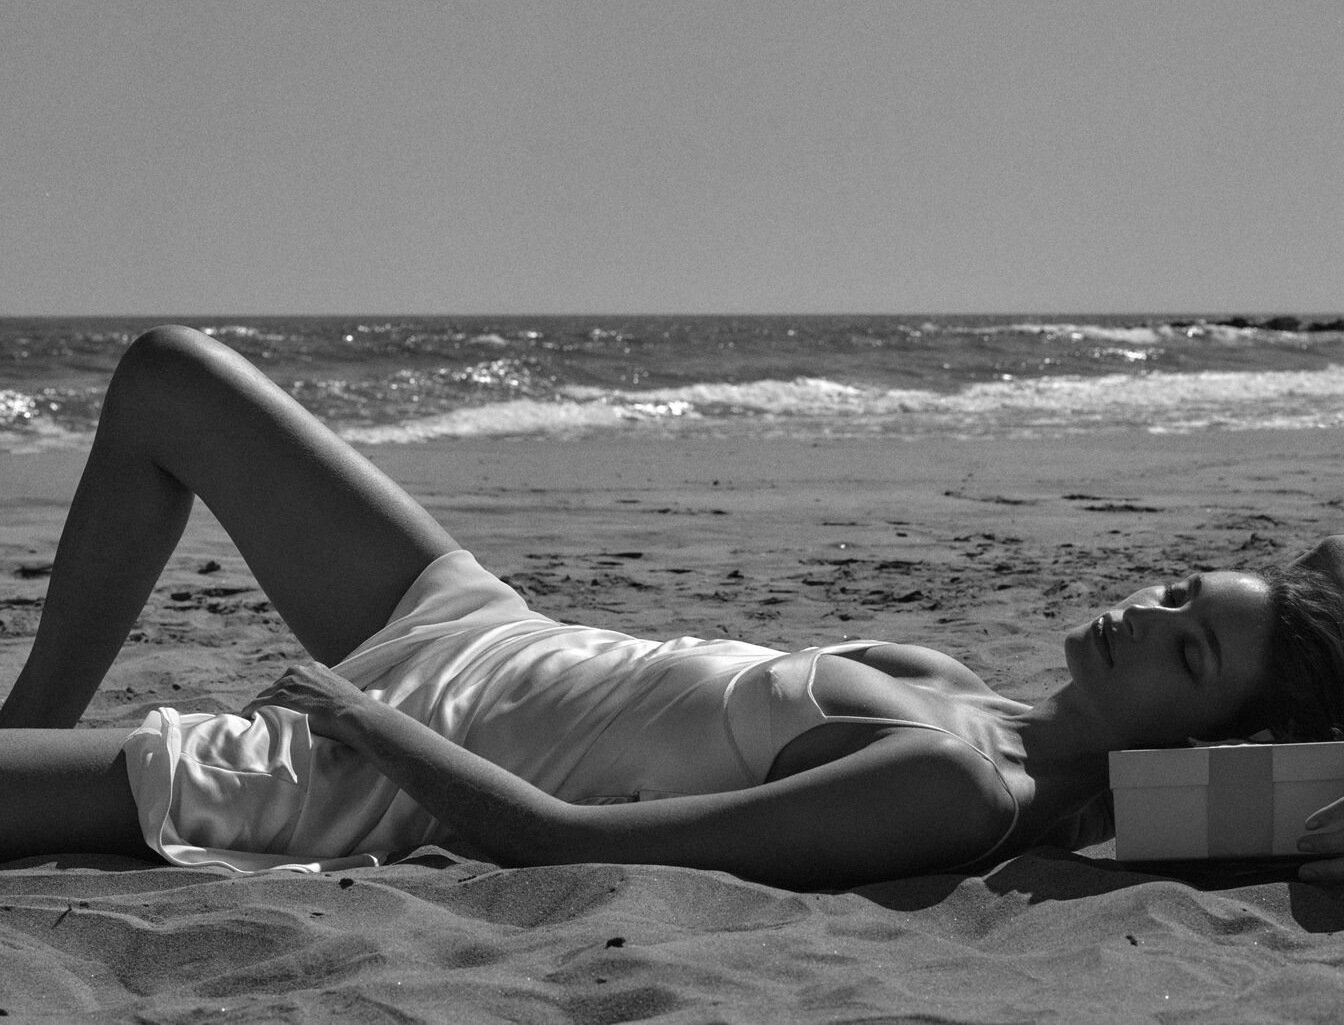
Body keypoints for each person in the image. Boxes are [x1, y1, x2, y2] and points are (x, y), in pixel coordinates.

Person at [1, 326, 1342, 888]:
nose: (1144, 614)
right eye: (1178, 589)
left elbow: (570, 844)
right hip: (484, 634)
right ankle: (29, 739)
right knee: (170, 377)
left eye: (1187, 649)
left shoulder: (956, 786)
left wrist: (363, 725)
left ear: (1197, 740)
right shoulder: (953, 681)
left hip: (374, 771)